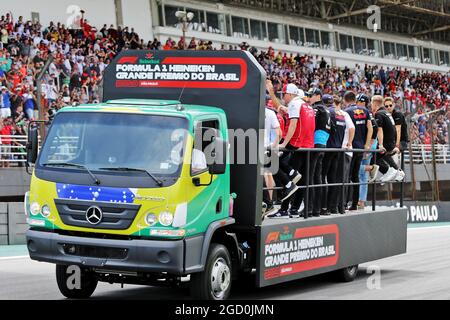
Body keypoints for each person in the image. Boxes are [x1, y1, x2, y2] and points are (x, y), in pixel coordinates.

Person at [269, 83, 315, 218]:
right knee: (300, 179)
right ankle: (293, 208)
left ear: (290, 94)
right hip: (307, 145)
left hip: (296, 143)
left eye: (284, 95)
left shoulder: (295, 104)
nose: (284, 98)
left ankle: (284, 209)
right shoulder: (306, 105)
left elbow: (294, 123)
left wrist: (285, 143)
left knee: (271, 162)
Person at [323, 95, 355, 214]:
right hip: (342, 150)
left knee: (336, 179)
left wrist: (348, 143)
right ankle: (338, 207)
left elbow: (352, 129)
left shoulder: (339, 113)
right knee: (340, 180)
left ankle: (334, 206)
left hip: (341, 149)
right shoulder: (343, 114)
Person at [343, 90, 373, 211]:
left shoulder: (347, 112)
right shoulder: (366, 111)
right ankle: (354, 204)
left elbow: (348, 129)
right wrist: (366, 145)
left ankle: (344, 203)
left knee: (346, 176)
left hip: (350, 148)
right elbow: (370, 128)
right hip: (360, 147)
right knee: (355, 176)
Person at [371, 95, 405, 182]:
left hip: (387, 142)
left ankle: (390, 171)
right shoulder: (386, 113)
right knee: (381, 156)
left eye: (372, 104)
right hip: (390, 141)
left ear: (375, 104)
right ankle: (396, 171)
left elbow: (379, 129)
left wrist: (381, 145)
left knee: (372, 157)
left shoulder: (379, 114)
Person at [308, 88, 331, 216]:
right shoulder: (326, 109)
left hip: (315, 145)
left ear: (317, 96)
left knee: (310, 177)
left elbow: (310, 124)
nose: (309, 98)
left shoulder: (317, 108)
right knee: (318, 178)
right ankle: (318, 209)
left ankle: (309, 209)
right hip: (323, 145)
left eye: (310, 95)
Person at [355, 93, 379, 209]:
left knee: (356, 169)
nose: (356, 104)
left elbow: (374, 129)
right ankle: (361, 201)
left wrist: (367, 145)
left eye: (358, 101)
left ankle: (372, 168)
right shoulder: (368, 113)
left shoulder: (365, 113)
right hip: (369, 144)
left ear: (362, 102)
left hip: (367, 145)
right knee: (362, 175)